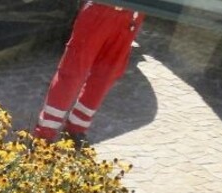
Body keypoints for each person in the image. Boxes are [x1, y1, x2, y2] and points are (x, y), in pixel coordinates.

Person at [33, 2, 143, 144]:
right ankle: (44, 134)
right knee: (72, 73)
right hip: (100, 8)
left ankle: (76, 129)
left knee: (106, 76)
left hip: (132, 15)